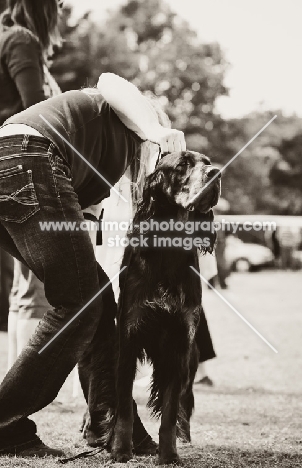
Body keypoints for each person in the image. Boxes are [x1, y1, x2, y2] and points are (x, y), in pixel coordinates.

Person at [0, 72, 186, 457]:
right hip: (27, 156)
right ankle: (6, 425)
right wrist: (154, 126)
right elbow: (109, 80)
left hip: (16, 165)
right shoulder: (117, 108)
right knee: (82, 302)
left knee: (94, 301)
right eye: (157, 153)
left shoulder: (104, 168)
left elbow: (81, 247)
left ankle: (115, 424)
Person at [0, 0, 62, 365]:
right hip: (20, 167)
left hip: (6, 166)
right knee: (38, 285)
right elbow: (35, 114)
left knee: (23, 287)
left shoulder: (5, 36)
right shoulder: (22, 40)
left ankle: (11, 383)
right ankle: (28, 386)